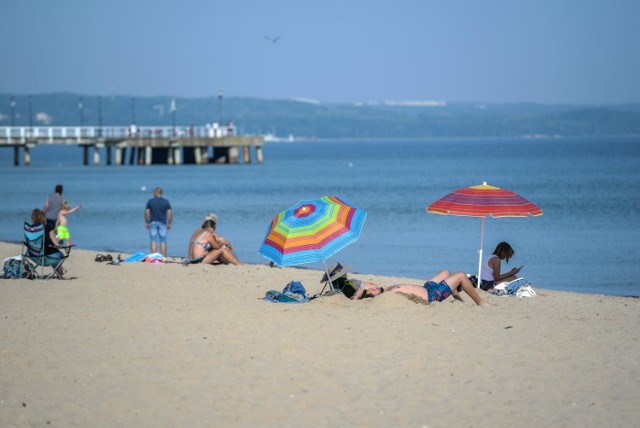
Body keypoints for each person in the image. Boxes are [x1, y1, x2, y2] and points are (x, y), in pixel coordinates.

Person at [323, 264, 488, 307]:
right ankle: (480, 303)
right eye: (371, 291)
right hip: (432, 295)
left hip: (427, 287)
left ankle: (458, 298)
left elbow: (364, 285)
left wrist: (361, 289)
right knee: (460, 275)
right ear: (371, 296)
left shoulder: (384, 290)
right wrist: (358, 295)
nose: (373, 287)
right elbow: (358, 297)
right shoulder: (387, 296)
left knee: (445, 272)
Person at [30, 208, 66, 276]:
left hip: (33, 256)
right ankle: (60, 270)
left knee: (50, 252)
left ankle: (60, 270)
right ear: (43, 218)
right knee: (56, 254)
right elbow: (56, 244)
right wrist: (58, 240)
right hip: (46, 257)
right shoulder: (48, 227)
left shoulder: (31, 229)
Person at [144, 187, 172, 256]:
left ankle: (154, 255)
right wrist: (169, 223)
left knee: (153, 240)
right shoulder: (166, 202)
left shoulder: (151, 201)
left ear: (155, 193)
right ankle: (163, 256)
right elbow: (169, 213)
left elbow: (147, 212)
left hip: (152, 222)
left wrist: (147, 222)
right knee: (163, 240)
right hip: (163, 223)